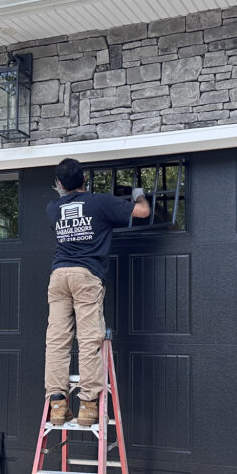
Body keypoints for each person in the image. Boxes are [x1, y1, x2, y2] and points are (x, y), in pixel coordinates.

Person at [45, 158, 151, 426]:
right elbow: (142, 213)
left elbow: (69, 206)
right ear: (84, 180)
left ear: (59, 184)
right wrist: (139, 195)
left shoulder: (53, 208)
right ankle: (89, 405)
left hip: (58, 276)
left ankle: (57, 403)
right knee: (89, 338)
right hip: (85, 275)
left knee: (57, 340)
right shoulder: (100, 202)